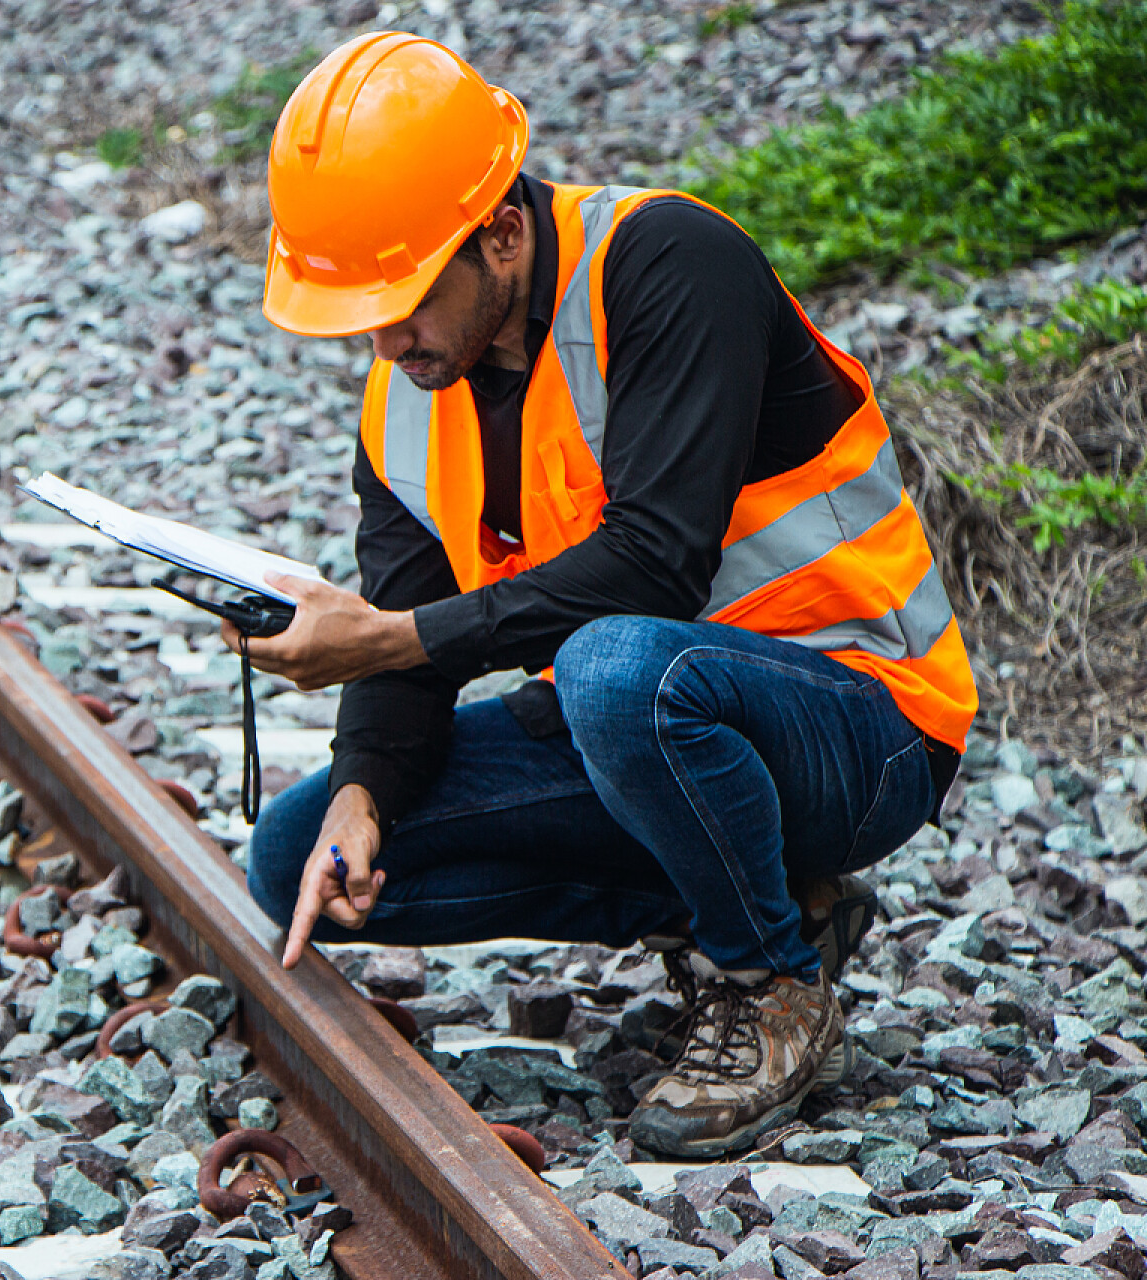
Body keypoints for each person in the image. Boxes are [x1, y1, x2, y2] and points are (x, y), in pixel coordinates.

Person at [230, 31, 977, 1157]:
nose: (388, 339)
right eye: (365, 313)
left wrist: (388, 638)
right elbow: (411, 641)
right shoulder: (406, 393)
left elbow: (654, 560)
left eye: (410, 299)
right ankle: (771, 903)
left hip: (865, 722)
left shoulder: (670, 264)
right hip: (645, 734)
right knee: (293, 857)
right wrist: (364, 786)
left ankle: (770, 984)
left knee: (617, 664)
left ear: (505, 231)